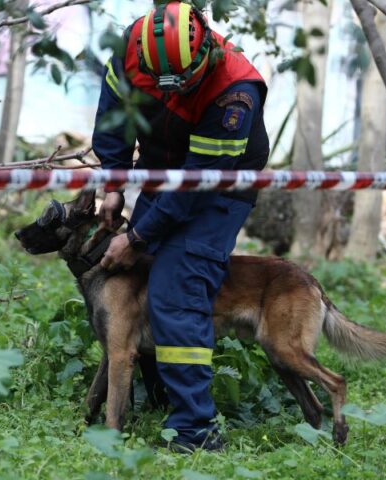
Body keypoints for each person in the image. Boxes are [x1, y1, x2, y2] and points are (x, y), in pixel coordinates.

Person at [93, 1, 270, 451]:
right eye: (159, 83)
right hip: (163, 172)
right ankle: (157, 397)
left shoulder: (235, 89)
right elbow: (114, 122)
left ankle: (195, 430)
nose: (170, 90)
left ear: (205, 50)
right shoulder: (132, 50)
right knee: (143, 284)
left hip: (217, 188)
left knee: (176, 288)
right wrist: (113, 183)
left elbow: (195, 186)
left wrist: (137, 237)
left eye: (181, 82)